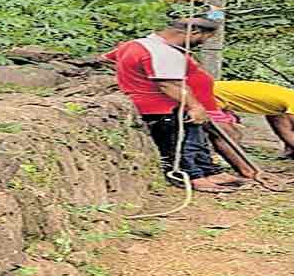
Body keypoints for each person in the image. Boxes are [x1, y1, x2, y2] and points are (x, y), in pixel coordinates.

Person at [104, 17, 249, 194]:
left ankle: (209, 171)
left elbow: (108, 59)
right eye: (205, 38)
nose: (203, 43)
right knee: (179, 143)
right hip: (160, 106)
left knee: (195, 138)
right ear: (194, 32)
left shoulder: (135, 44)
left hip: (172, 104)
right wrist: (195, 106)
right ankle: (192, 177)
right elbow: (168, 84)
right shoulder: (162, 52)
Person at [209, 80, 294, 166]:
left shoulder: (284, 100)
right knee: (229, 134)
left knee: (231, 134)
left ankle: (239, 168)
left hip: (215, 94)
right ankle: (244, 172)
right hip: (208, 94)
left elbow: (283, 130)